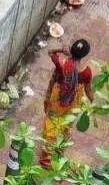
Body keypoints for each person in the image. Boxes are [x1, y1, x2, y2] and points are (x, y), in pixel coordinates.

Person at [40, 39, 93, 168]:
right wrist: (92, 103)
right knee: (66, 126)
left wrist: (61, 50)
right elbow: (88, 90)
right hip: (73, 102)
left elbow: (50, 52)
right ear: (84, 55)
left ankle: (46, 160)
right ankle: (59, 152)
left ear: (71, 49)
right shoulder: (87, 72)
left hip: (58, 99)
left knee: (51, 125)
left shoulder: (62, 63)